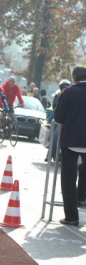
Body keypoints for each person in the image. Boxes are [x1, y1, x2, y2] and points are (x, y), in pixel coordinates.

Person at [54, 65, 86, 227]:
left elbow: (58, 117)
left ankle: (72, 217)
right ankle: (82, 197)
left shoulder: (69, 92)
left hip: (71, 140)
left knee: (68, 178)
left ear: (74, 78)